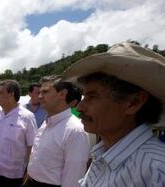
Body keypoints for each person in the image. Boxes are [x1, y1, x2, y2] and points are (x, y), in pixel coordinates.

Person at [62, 42, 165, 186]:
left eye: (92, 96)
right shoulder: (103, 154)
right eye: (84, 96)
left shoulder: (157, 171)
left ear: (133, 103)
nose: (80, 107)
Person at [26, 75, 90, 187]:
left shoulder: (75, 130)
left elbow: (73, 180)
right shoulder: (46, 123)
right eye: (40, 92)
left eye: (45, 92)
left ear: (62, 94)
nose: (40, 96)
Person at [0, 80, 37, 187]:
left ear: (12, 94)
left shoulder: (27, 117)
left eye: (1, 92)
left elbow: (32, 147)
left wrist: (29, 171)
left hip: (13, 176)